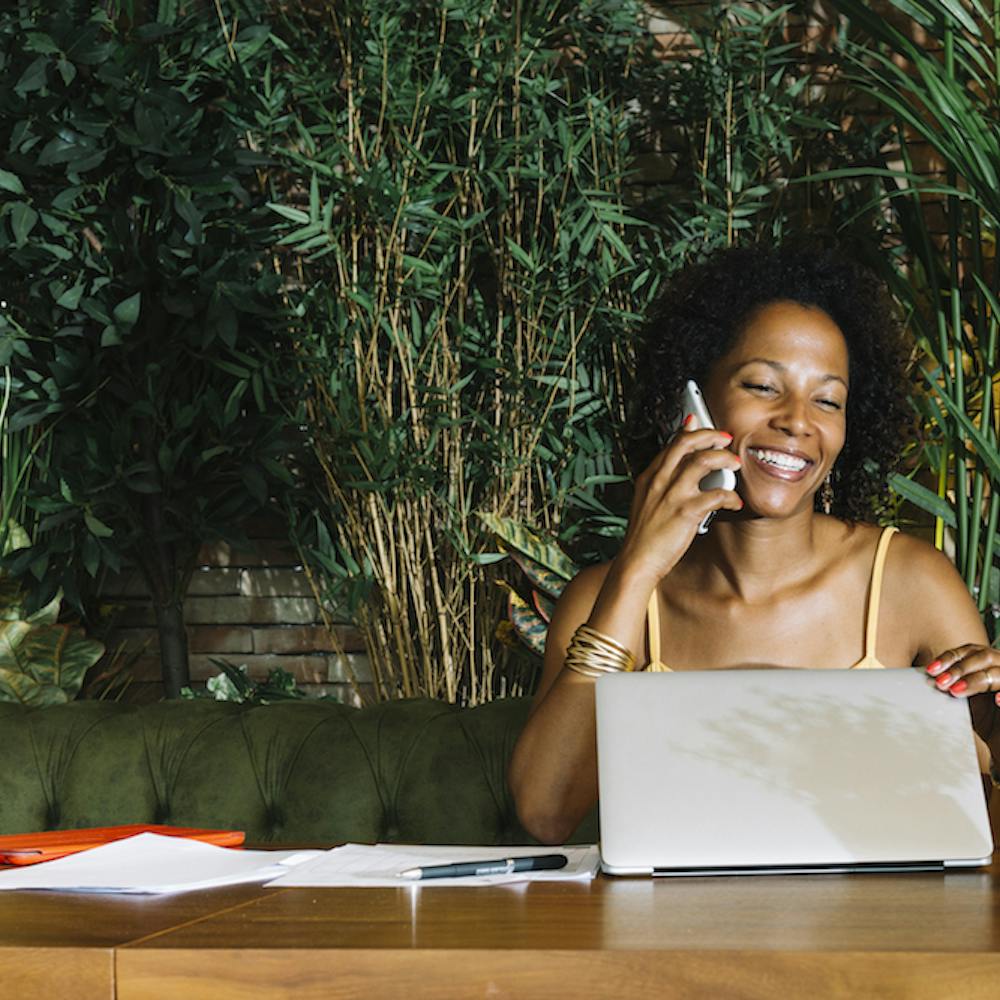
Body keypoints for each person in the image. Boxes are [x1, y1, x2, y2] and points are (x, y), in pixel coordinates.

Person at [508, 241, 1000, 846]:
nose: (798, 420)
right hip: (673, 935)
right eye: (764, 386)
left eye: (827, 400)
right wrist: (637, 567)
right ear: (695, 403)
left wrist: (995, 732)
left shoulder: (909, 582)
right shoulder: (607, 597)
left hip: (875, 932)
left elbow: (976, 840)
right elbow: (546, 813)